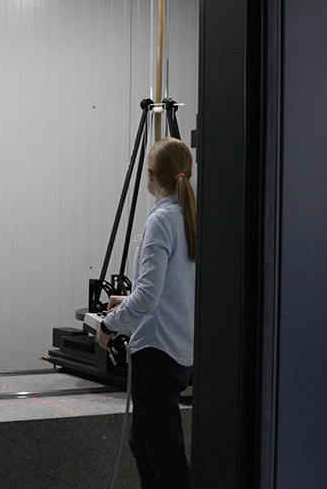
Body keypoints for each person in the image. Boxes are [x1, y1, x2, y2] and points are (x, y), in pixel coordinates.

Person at [95, 136, 196, 489]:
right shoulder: (191, 218)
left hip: (156, 354)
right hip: (181, 352)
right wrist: (128, 299)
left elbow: (150, 297)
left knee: (167, 457)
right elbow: (176, 289)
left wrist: (109, 325)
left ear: (150, 176)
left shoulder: (161, 221)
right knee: (142, 444)